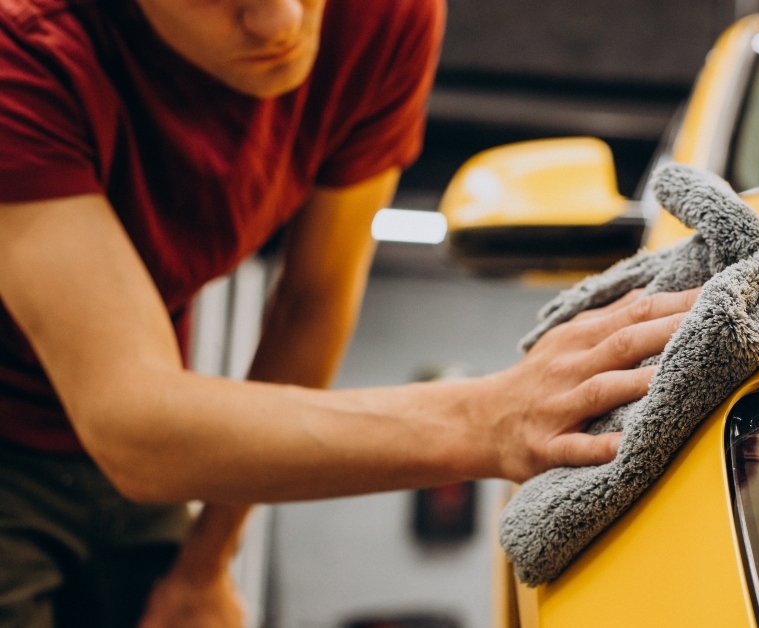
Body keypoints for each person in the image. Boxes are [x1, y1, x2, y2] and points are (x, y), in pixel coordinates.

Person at [0, 0, 697, 625]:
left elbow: (313, 300)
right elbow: (134, 424)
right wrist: (490, 418)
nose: (280, 22)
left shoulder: (379, 15)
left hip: (147, 461)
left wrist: (206, 565)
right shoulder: (23, 53)